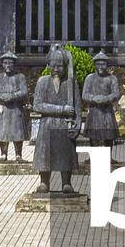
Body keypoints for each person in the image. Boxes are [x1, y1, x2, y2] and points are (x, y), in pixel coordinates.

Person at [32, 44, 81, 193]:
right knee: (45, 154)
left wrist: (77, 126)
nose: (56, 69)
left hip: (65, 125)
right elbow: (37, 105)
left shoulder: (71, 83)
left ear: (65, 66)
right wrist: (61, 109)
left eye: (60, 65)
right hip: (46, 125)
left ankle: (66, 182)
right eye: (53, 65)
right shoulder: (42, 82)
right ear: (48, 65)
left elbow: (77, 108)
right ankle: (44, 182)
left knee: (65, 154)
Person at [0, 51, 30, 162]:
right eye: (5, 63)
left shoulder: (20, 77)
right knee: (3, 132)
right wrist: (2, 96)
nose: (7, 65)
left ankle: (18, 155)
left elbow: (24, 92)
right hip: (3, 109)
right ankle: (3, 154)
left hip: (16, 108)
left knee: (17, 132)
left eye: (10, 63)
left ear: (14, 64)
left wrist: (12, 96)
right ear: (2, 64)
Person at [82, 51, 120, 150]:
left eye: (103, 64)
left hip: (107, 111)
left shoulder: (112, 78)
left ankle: (107, 158)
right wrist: (93, 98)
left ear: (107, 65)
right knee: (93, 136)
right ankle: (94, 157)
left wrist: (106, 98)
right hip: (94, 111)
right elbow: (84, 94)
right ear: (94, 64)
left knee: (109, 135)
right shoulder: (89, 78)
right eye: (98, 64)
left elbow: (116, 93)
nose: (101, 66)